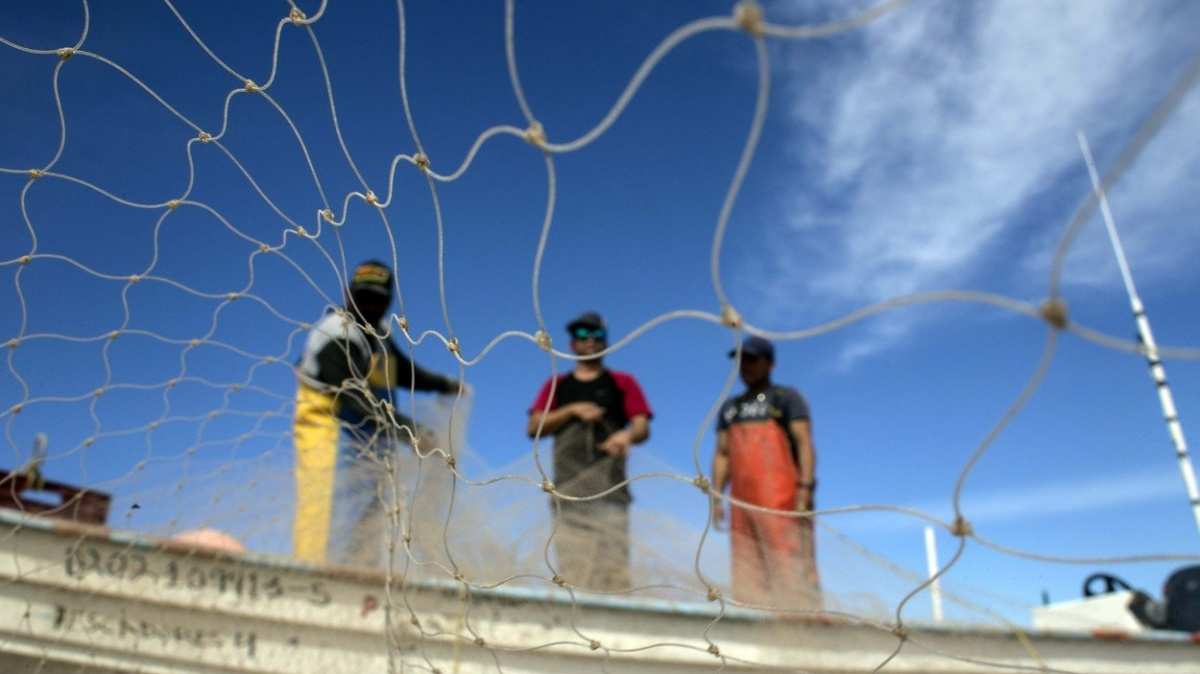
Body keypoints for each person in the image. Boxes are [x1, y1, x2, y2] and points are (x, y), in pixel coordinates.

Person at [293, 260, 460, 567]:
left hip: (375, 439)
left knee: (374, 508)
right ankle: (315, 574)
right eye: (363, 297)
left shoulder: (378, 334)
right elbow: (354, 397)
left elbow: (404, 372)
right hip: (331, 437)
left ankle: (361, 577)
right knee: (327, 506)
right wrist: (412, 431)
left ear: (389, 301)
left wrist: (444, 384)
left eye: (379, 299)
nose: (370, 305)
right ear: (347, 294)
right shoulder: (335, 333)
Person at [527, 312, 652, 591]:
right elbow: (534, 426)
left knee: (613, 568)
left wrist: (626, 434)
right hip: (567, 491)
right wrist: (571, 410)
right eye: (582, 334)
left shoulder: (623, 382)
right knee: (573, 570)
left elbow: (642, 427)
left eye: (596, 334)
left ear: (606, 341)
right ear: (572, 344)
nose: (590, 339)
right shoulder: (557, 385)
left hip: (612, 491)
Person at [711, 336, 820, 609]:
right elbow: (723, 453)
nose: (746, 365)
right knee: (747, 568)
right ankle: (755, 626)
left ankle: (803, 623)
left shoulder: (785, 398)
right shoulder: (730, 408)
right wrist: (716, 497)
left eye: (752, 359)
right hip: (741, 501)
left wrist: (805, 488)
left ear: (770, 363)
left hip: (782, 498)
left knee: (790, 563)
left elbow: (805, 442)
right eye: (741, 360)